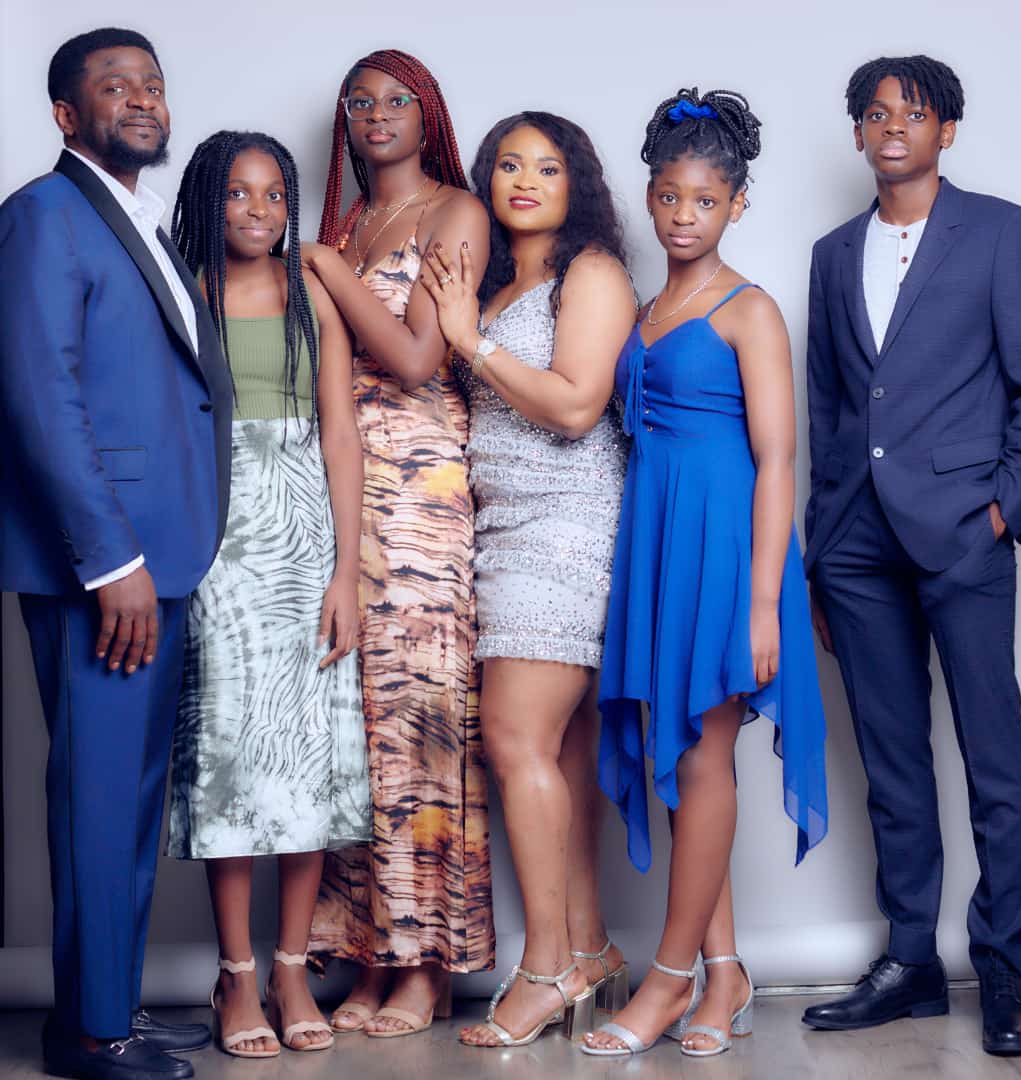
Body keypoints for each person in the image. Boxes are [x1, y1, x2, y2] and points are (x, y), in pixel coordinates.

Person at [802, 55, 1021, 1057]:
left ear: (945, 130)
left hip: (963, 533)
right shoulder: (833, 254)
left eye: (911, 114)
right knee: (891, 760)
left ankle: (1001, 964)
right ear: (857, 133)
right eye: (874, 115)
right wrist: (821, 551)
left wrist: (1002, 510)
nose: (891, 128)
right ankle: (909, 959)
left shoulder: (1001, 233)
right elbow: (831, 409)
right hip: (857, 547)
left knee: (993, 754)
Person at [0, 28, 232, 1080]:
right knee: (98, 797)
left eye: (153, 84)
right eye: (113, 86)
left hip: (156, 558)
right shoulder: (43, 217)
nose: (141, 99)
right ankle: (96, 1037)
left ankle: (105, 1010)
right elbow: (38, 396)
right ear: (65, 113)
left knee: (129, 797)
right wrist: (109, 562)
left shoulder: (136, 219)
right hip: (104, 568)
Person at [579, 87, 829, 1059]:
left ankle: (668, 979)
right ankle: (725, 974)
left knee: (703, 754)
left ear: (737, 205)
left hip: (726, 546)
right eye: (669, 198)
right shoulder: (645, 310)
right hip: (657, 539)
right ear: (650, 196)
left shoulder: (750, 310)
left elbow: (778, 461)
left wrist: (764, 601)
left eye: (706, 201)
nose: (684, 217)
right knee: (679, 747)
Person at [421, 110, 634, 1048]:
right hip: (499, 529)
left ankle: (545, 970)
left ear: (575, 182)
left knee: (513, 737)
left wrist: (471, 342)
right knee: (561, 750)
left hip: (567, 523)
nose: (524, 181)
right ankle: (589, 949)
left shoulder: (593, 272)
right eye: (508, 165)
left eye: (547, 167)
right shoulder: (498, 281)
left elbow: (579, 406)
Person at [299, 49, 493, 1036]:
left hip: (421, 489)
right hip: (342, 487)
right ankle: (371, 954)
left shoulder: (455, 212)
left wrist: (327, 269)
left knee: (422, 715)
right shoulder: (344, 225)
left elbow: (420, 357)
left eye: (396, 100)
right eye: (359, 102)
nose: (375, 115)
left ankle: (429, 965)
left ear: (429, 115)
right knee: (359, 728)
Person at [166, 131, 370, 1058]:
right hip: (215, 538)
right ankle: (236, 976)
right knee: (232, 758)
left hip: (305, 536)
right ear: (208, 199)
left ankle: (292, 969)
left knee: (306, 756)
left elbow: (340, 436)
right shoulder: (186, 292)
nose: (259, 211)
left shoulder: (311, 294)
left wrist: (345, 572)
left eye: (276, 194)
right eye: (239, 193)